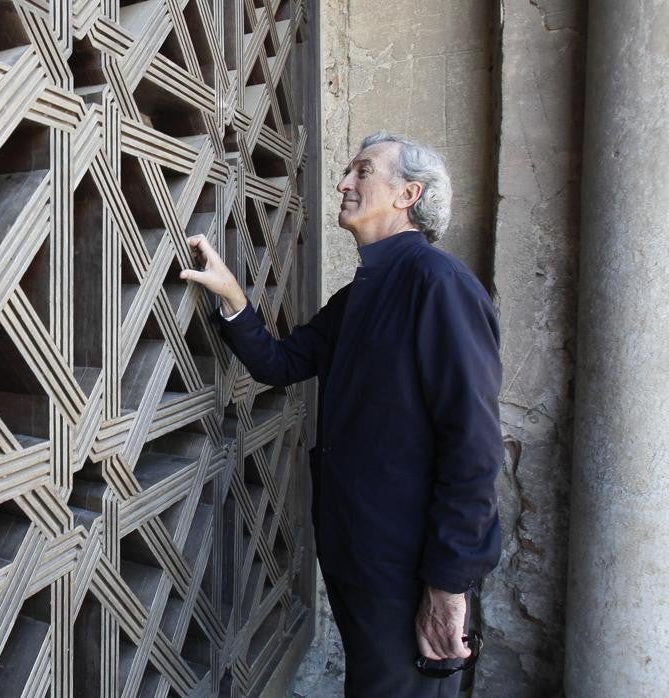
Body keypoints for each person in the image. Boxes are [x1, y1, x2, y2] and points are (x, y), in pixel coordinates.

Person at [180, 132, 502, 696]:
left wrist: (448, 583)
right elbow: (282, 362)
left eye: (362, 171)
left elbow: (472, 444)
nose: (343, 184)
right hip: (358, 550)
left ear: (408, 194)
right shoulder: (361, 294)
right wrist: (233, 298)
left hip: (408, 562)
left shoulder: (439, 285)